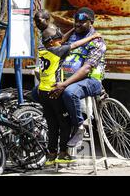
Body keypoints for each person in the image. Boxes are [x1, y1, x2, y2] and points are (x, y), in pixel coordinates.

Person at [38, 25, 101, 165]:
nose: (61, 40)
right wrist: (92, 37)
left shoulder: (43, 49)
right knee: (64, 123)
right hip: (54, 91)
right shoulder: (57, 51)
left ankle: (51, 155)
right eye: (57, 39)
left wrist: (72, 29)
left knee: (52, 124)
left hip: (42, 91)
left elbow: (61, 40)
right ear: (51, 42)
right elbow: (74, 44)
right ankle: (63, 153)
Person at [49, 7, 106, 148]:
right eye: (75, 21)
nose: (77, 24)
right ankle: (64, 123)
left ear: (91, 22)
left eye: (82, 22)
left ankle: (80, 127)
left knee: (70, 92)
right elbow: (59, 43)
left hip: (90, 81)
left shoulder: (97, 40)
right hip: (67, 79)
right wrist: (73, 29)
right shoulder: (74, 36)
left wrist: (64, 85)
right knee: (40, 92)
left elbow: (86, 69)